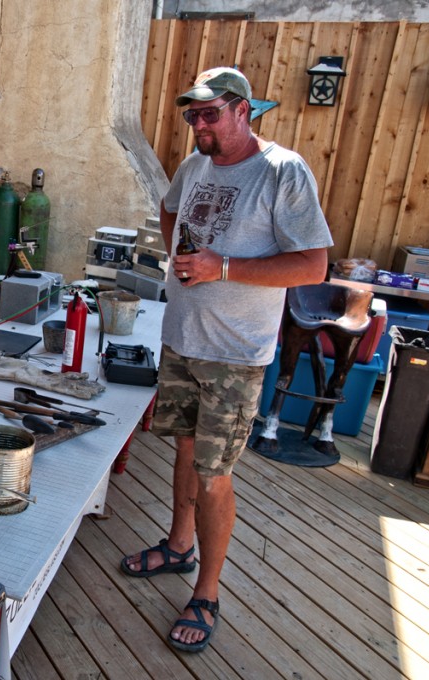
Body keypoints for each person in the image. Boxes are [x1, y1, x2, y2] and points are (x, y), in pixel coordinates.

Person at [119, 67, 333, 653]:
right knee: (187, 451)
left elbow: (313, 266)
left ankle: (207, 591)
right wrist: (177, 253)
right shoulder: (194, 165)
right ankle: (178, 545)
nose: (198, 125)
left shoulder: (283, 171)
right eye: (191, 114)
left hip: (236, 356)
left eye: (210, 113)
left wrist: (224, 267)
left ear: (243, 111)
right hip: (184, 339)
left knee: (215, 477)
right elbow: (170, 211)